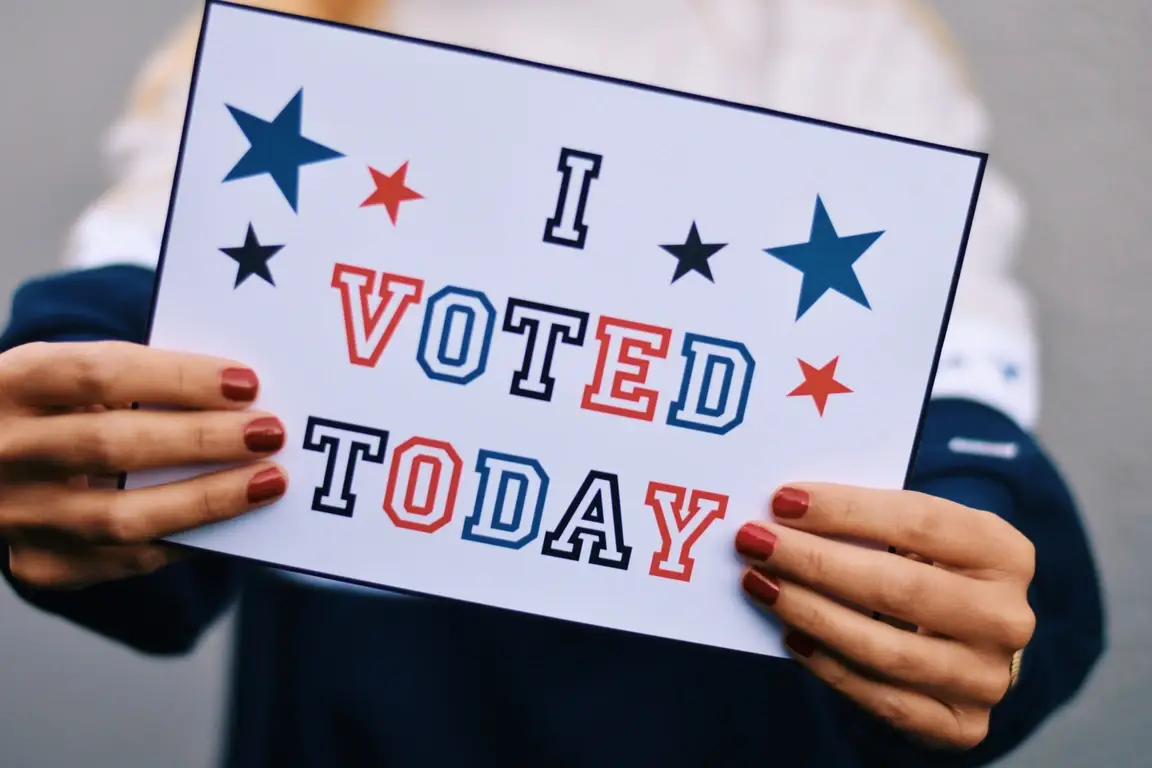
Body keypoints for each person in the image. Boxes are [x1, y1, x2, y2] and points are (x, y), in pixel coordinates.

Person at [0, 1, 1105, 766]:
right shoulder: (297, 30)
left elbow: (963, 434)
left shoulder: (854, 51)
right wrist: (66, 431)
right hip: (358, 721)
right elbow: (133, 374)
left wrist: (988, 575)